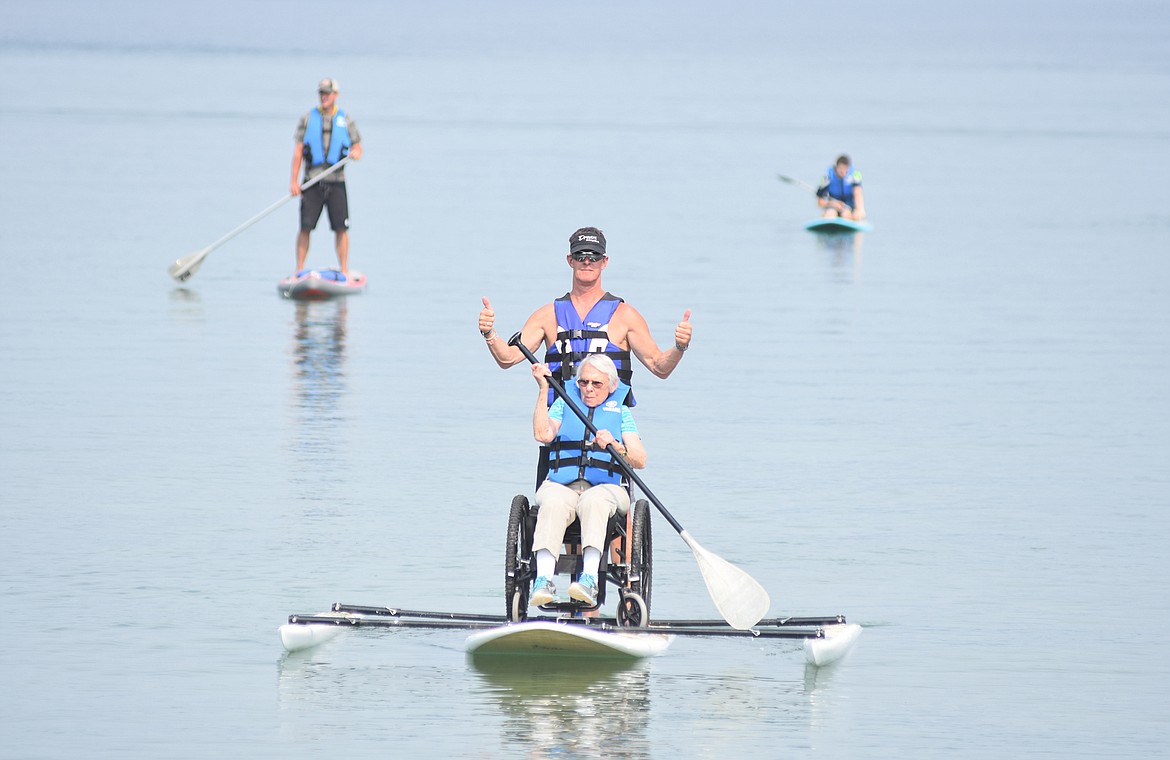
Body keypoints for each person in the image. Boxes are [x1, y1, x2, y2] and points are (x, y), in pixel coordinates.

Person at [478, 226, 692, 406]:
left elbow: (659, 367)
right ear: (570, 260)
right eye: (580, 256)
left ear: (604, 261)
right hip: (560, 423)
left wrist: (679, 347)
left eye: (594, 256)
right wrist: (489, 333)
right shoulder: (548, 315)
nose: (587, 262)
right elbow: (508, 358)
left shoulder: (625, 315)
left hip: (608, 428)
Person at [527, 353, 646, 607]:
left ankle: (589, 579)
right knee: (553, 503)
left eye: (596, 384)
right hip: (563, 485)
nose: (588, 389)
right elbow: (542, 434)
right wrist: (543, 389)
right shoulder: (563, 403)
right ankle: (544, 580)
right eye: (583, 382)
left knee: (595, 500)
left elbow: (640, 459)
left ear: (612, 386)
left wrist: (614, 444)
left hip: (606, 488)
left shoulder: (621, 414)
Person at [289, 77, 363, 275]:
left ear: (335, 95)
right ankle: (299, 269)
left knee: (341, 228)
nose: (324, 97)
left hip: (337, 181)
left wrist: (356, 153)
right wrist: (294, 182)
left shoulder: (345, 119)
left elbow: (357, 145)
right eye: (321, 93)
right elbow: (297, 152)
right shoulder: (307, 118)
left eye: (327, 93)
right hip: (312, 181)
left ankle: (344, 269)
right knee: (305, 226)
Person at [816, 154, 865, 221]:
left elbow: (858, 193)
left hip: (848, 207)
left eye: (845, 169)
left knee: (846, 214)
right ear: (836, 168)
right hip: (832, 206)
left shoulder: (854, 177)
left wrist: (859, 210)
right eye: (840, 169)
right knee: (830, 214)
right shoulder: (827, 179)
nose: (842, 172)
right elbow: (820, 202)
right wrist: (832, 203)